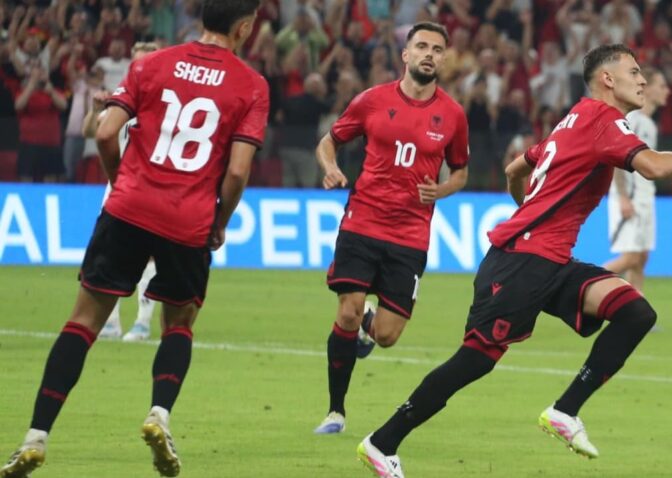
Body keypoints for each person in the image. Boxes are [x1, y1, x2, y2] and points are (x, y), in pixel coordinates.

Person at [356, 44, 672, 477]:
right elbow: (654, 168)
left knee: (636, 312)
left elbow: (515, 169)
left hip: (550, 260)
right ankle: (383, 442)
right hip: (521, 263)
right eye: (635, 71)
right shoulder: (604, 121)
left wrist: (527, 208)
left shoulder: (575, 119)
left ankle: (565, 411)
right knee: (475, 360)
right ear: (607, 79)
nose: (642, 79)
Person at [0, 0, 269, 476]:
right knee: (179, 323)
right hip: (188, 219)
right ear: (245, 28)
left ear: (201, 18)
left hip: (128, 207)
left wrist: (121, 181)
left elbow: (106, 133)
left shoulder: (151, 64)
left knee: (83, 322)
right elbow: (237, 171)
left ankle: (35, 436)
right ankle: (158, 414)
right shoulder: (250, 84)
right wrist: (220, 221)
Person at [314, 21, 469, 435]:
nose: (429, 54)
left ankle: (370, 322)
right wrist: (330, 168)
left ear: (443, 59)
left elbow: (460, 172)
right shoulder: (372, 100)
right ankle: (335, 411)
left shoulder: (453, 115)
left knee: (386, 336)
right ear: (406, 54)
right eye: (422, 46)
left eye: (437, 49)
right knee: (347, 310)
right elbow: (329, 141)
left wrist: (441, 190)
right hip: (362, 221)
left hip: (410, 236)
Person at [81, 42, 161, 342]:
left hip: (151, 188)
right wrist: (95, 110)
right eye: (136, 63)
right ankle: (111, 322)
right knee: (109, 252)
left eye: (145, 62)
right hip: (118, 186)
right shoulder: (124, 99)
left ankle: (142, 322)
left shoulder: (167, 103)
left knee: (150, 256)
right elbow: (91, 132)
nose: (139, 68)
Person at [603, 67, 670, 292]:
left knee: (641, 258)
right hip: (630, 197)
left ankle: (636, 306)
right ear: (647, 88)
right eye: (661, 86)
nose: (667, 91)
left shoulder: (648, 123)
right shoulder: (633, 120)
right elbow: (617, 157)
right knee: (630, 258)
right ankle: (578, 286)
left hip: (644, 196)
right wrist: (623, 197)